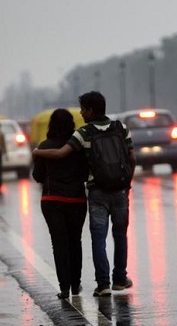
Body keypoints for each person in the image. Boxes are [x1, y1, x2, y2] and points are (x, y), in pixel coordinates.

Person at [33, 91, 136, 297]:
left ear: (90, 110)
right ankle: (118, 279)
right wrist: (127, 184)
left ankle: (99, 284)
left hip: (90, 193)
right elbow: (132, 158)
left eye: (83, 109)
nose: (81, 113)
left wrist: (37, 152)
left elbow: (57, 158)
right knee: (117, 236)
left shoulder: (83, 133)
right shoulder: (121, 128)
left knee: (95, 239)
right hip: (109, 193)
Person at [32, 109, 89, 299]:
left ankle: (64, 287)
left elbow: (37, 176)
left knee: (59, 243)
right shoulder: (77, 147)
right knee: (75, 242)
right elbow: (84, 174)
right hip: (76, 200)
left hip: (52, 200)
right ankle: (75, 284)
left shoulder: (43, 147)